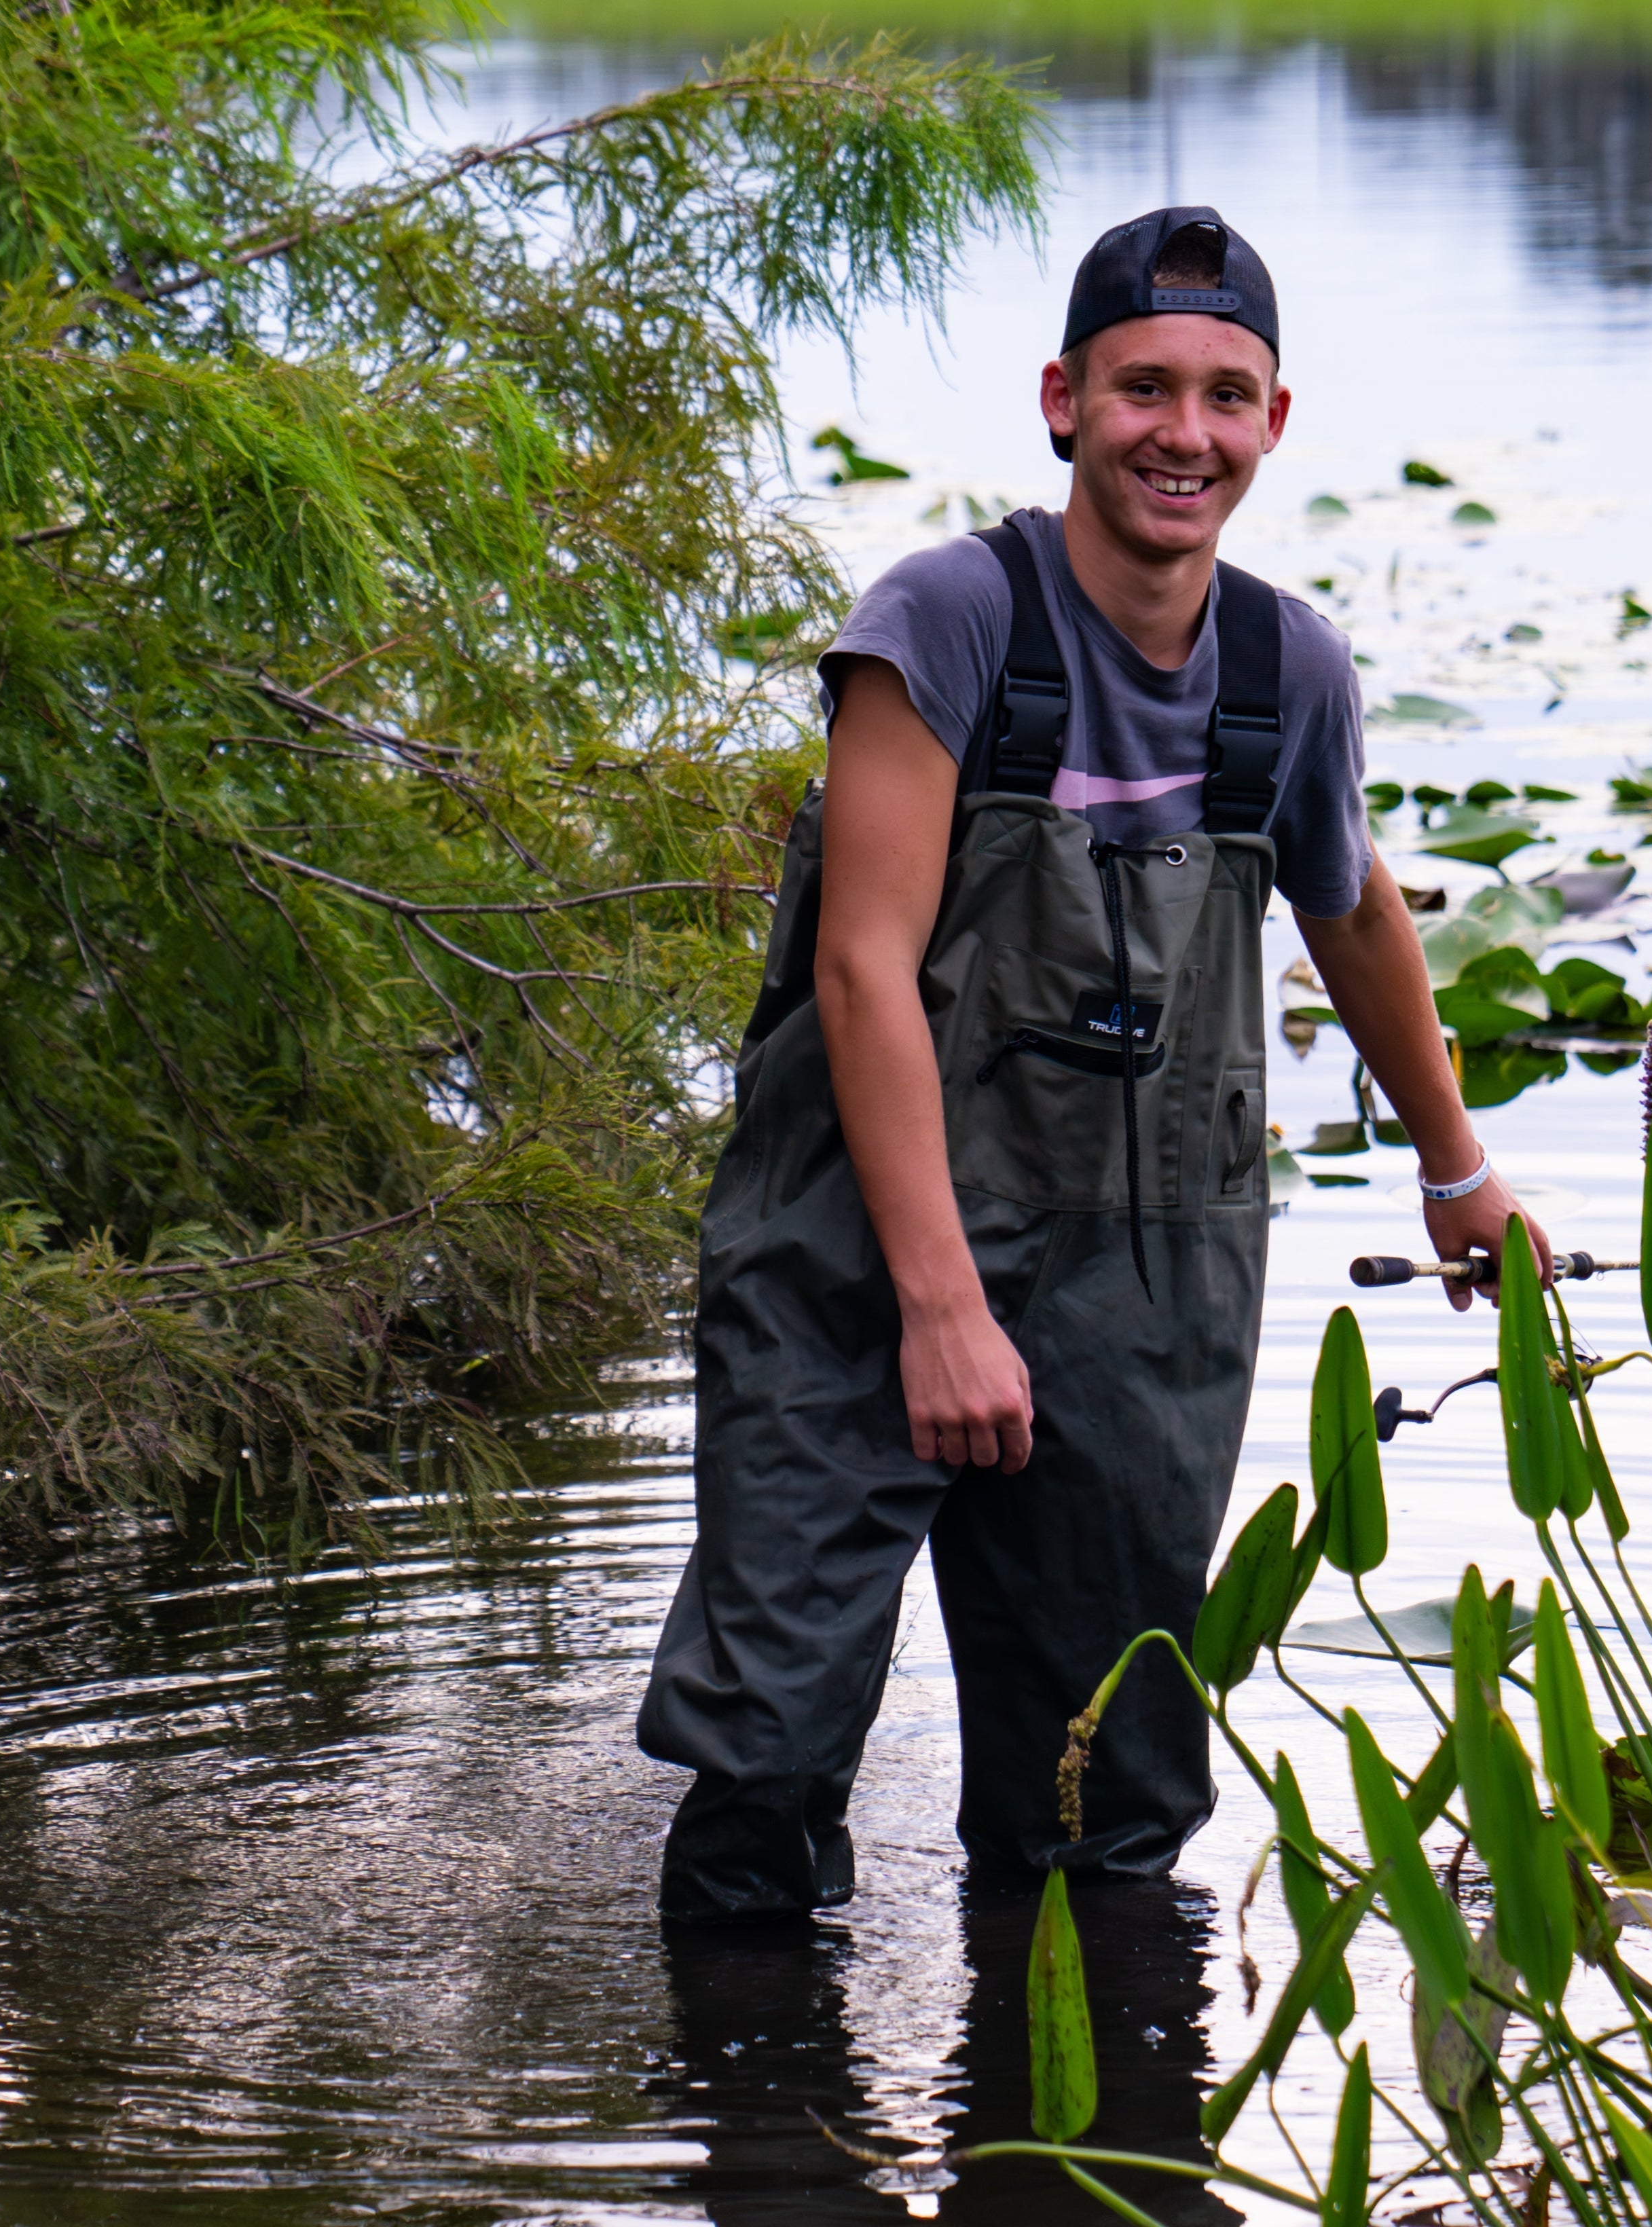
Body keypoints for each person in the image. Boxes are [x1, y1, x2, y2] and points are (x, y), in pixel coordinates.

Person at [637, 205, 1550, 1919]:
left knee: (1101, 1801)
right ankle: (758, 2134)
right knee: (761, 1770)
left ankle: (1084, 2144)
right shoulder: (944, 625)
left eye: (1223, 394)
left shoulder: (1289, 670)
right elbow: (859, 971)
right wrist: (938, 1306)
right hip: (857, 1261)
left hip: (1143, 1284)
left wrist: (1456, 1169)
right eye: (1142, 388)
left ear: (1275, 421)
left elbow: (1351, 913)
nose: (1180, 435)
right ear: (1063, 399)